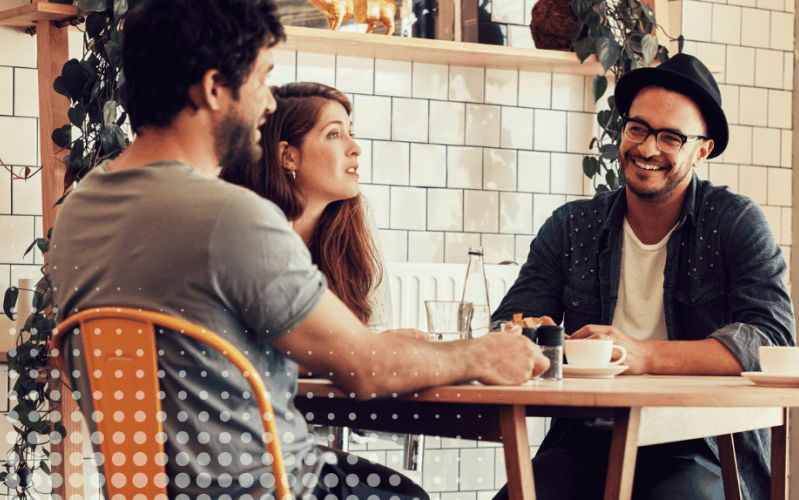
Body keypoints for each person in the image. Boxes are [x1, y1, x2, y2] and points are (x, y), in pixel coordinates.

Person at [48, 1, 548, 499]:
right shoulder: (232, 218)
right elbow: (366, 368)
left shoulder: (76, 212)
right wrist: (480, 352)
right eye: (262, 79)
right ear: (214, 88)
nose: (268, 104)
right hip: (275, 488)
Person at [489, 53, 795, 500]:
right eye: (638, 128)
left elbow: (771, 340)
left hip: (700, 443)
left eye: (671, 137)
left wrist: (645, 356)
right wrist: (533, 333)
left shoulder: (734, 222)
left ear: (701, 150)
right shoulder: (572, 226)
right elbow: (509, 326)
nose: (648, 148)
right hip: (586, 439)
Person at [221, 82, 390, 332]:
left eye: (350, 134)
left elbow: (377, 327)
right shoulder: (241, 220)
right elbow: (244, 345)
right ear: (289, 156)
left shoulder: (358, 214)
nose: (355, 149)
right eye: (334, 134)